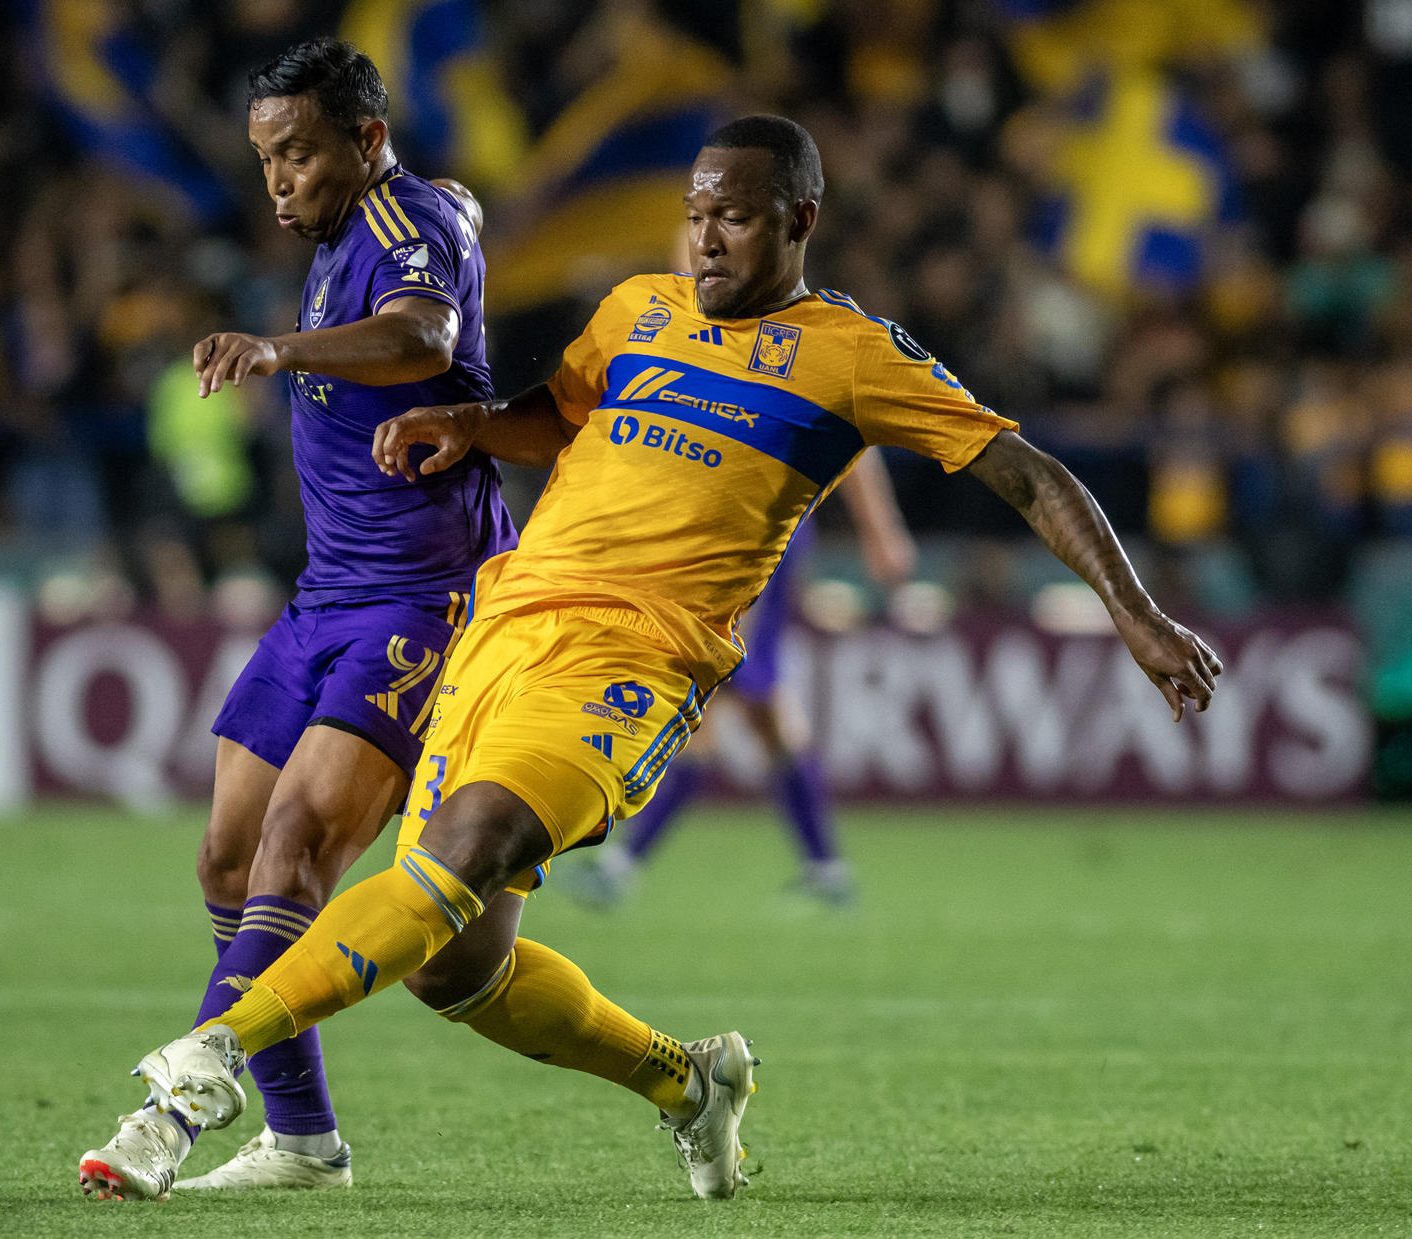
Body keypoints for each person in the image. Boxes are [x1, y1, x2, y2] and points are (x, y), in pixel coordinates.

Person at [101, 113, 1221, 1203]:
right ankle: (691, 1084)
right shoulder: (640, 310)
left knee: (463, 847)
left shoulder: (852, 356)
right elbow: (563, 414)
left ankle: (205, 1067)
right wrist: (477, 426)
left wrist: (1133, 610)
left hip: (638, 661)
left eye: (735, 218)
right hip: (505, 630)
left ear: (800, 220)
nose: (707, 239)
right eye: (697, 216)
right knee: (457, 970)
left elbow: (1024, 471)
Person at [78, 40, 515, 1199]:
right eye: (266, 157)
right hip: (326, 594)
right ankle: (305, 1140)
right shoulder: (341, 235)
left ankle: (174, 1114)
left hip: (425, 598)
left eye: (300, 155)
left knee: (296, 854)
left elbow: (423, 336)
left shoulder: (398, 230)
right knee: (227, 858)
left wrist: (277, 349)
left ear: (367, 144)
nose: (278, 180)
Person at [568, 455, 915, 909]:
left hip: (758, 524)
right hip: (725, 522)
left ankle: (623, 865)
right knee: (754, 708)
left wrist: (880, 529)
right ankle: (826, 868)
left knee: (721, 689)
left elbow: (858, 442)